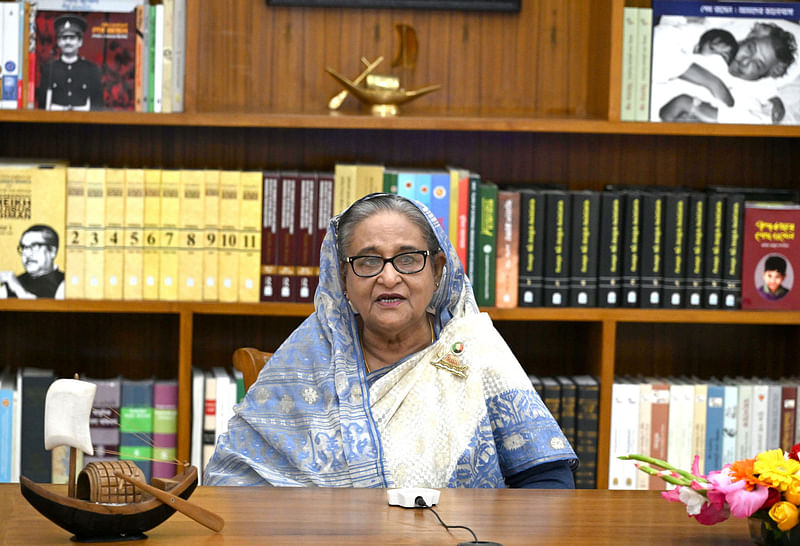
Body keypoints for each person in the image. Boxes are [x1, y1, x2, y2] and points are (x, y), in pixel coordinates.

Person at [204, 193, 577, 488]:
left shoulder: (473, 349)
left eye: (408, 259)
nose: (388, 277)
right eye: (367, 262)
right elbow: (234, 482)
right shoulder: (305, 358)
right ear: (344, 280)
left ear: (437, 270)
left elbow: (547, 479)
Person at [36, 14, 104, 111]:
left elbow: (98, 106)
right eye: (64, 38)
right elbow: (42, 106)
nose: (68, 42)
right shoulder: (49, 69)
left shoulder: (91, 69)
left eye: (72, 38)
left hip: (84, 122)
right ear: (58, 42)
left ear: (80, 42)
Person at [0, 224, 65, 299]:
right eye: (24, 247)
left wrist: (19, 290)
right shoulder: (10, 284)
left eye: (35, 246)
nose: (27, 254)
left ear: (52, 251)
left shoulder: (65, 284)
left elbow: (49, 309)